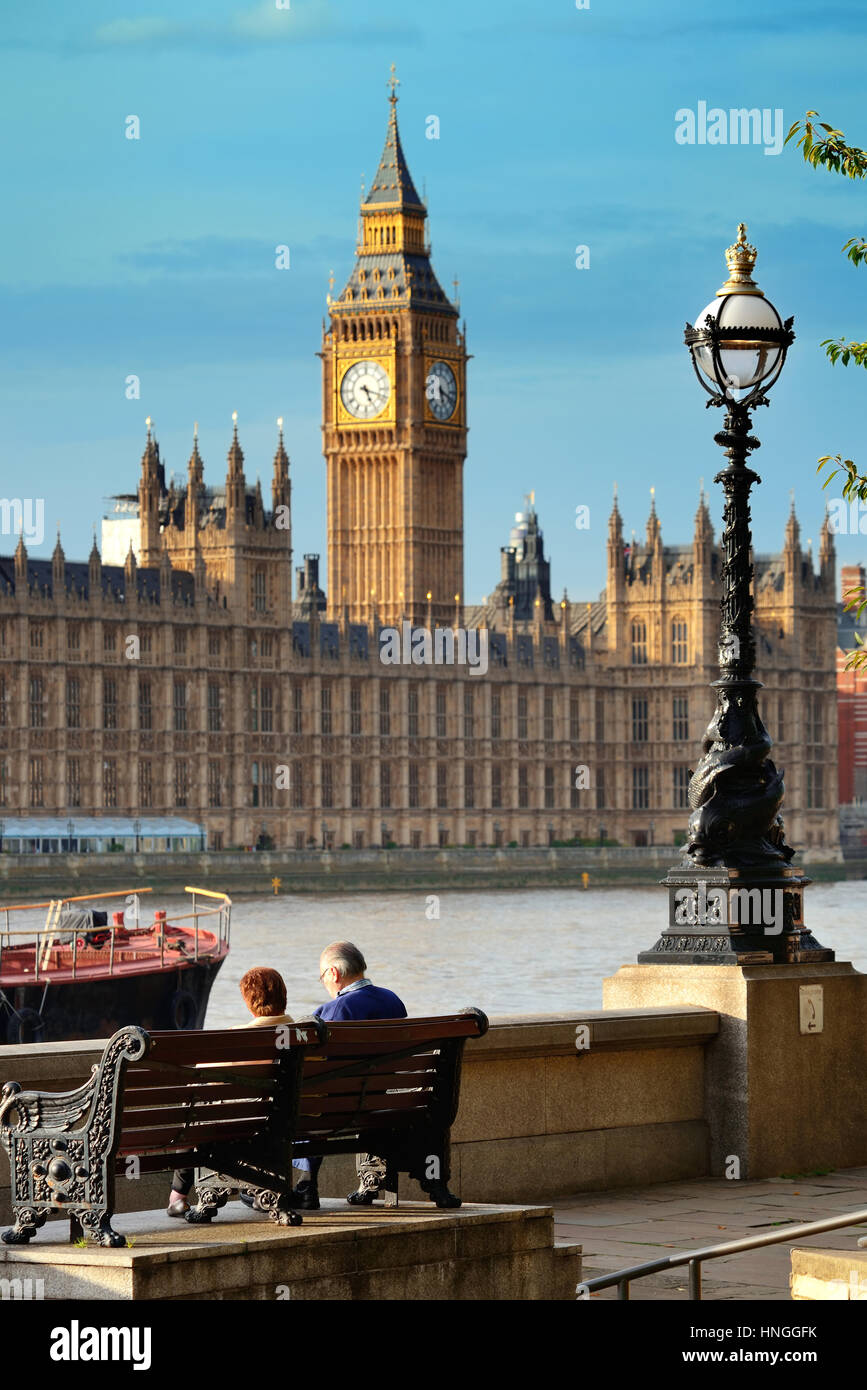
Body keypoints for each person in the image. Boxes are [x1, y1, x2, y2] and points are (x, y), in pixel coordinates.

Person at [166, 966, 301, 1217]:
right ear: (284, 996)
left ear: (249, 1004)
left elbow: (201, 1073)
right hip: (297, 1123)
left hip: (248, 1125)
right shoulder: (305, 1035)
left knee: (194, 1107)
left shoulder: (238, 1038)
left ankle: (178, 1195)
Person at [292, 941, 407, 1210]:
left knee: (307, 1100)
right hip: (382, 1104)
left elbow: (311, 1069)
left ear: (333, 973)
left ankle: (307, 1183)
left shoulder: (331, 1012)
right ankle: (374, 1181)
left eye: (323, 977)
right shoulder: (393, 1001)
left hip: (335, 1112)